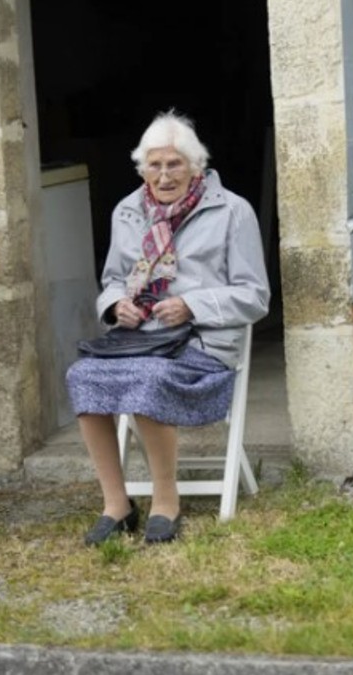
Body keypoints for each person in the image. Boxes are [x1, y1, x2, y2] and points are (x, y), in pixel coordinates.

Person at [67, 110, 269, 546]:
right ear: (142, 169)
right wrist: (116, 305)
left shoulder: (233, 211)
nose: (163, 175)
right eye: (154, 165)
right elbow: (113, 279)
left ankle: (165, 501)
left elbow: (255, 295)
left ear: (196, 166)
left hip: (201, 346)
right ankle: (116, 505)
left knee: (148, 378)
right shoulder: (128, 211)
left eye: (174, 164)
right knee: (81, 375)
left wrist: (192, 305)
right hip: (140, 340)